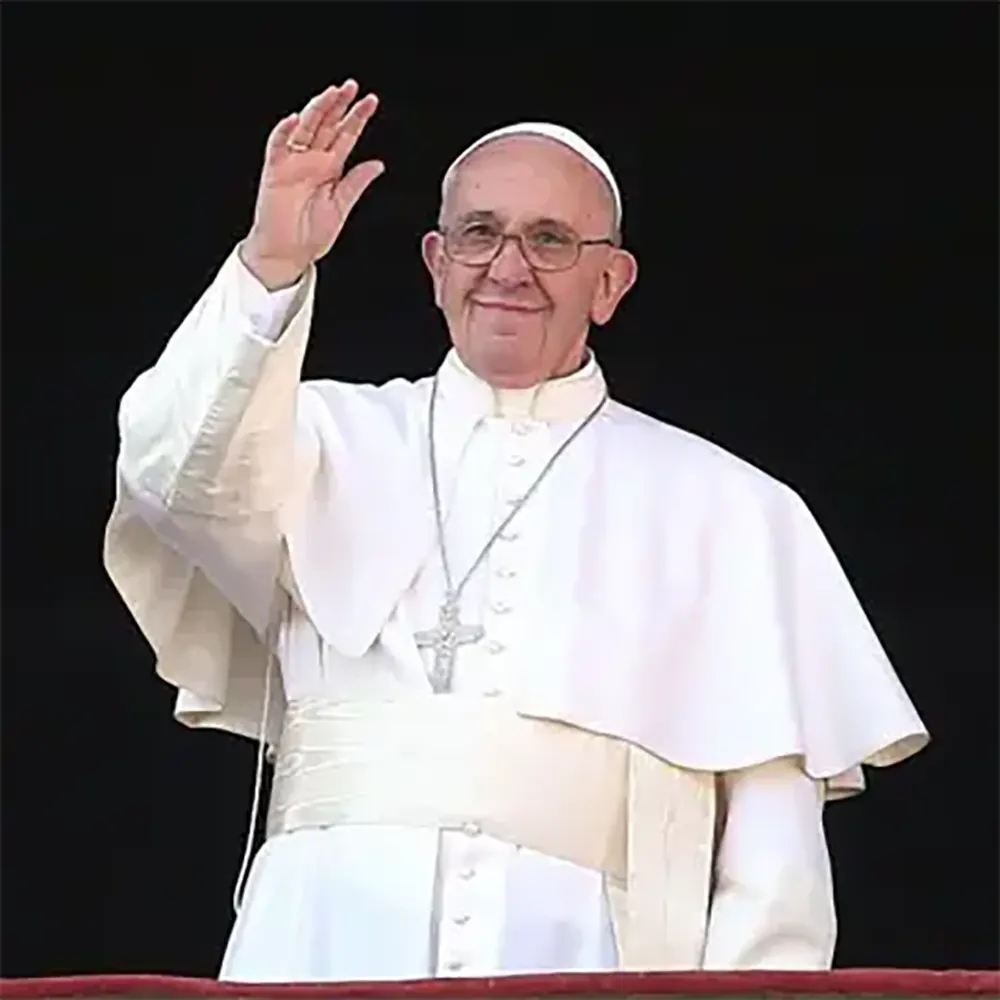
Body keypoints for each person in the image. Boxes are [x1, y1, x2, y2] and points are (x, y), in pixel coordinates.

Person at [104, 80, 928, 983]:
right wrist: (272, 264)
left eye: (550, 240)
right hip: (319, 941)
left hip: (589, 956)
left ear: (610, 283)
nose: (507, 267)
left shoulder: (733, 507)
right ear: (435, 262)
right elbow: (168, 476)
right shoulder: (319, 440)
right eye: (479, 233)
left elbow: (774, 856)